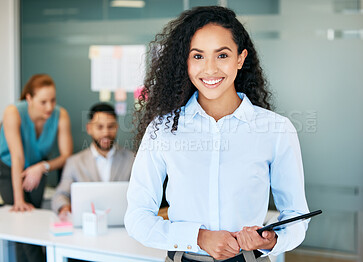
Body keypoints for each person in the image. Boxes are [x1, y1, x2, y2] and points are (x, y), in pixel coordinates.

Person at [124, 6, 309, 262]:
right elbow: (137, 218)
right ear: (185, 62)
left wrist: (273, 239)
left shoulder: (276, 130)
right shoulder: (163, 129)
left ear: (240, 59)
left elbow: (296, 214)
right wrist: (198, 237)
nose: (210, 69)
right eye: (198, 57)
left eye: (222, 55)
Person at [0, 73, 73, 262]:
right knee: (20, 218)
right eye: (43, 102)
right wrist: (18, 200)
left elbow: (66, 156)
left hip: (37, 168)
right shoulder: (13, 112)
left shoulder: (60, 114)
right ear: (29, 98)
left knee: (33, 221)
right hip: (8, 167)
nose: (49, 107)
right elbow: (17, 157)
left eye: (52, 100)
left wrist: (42, 166)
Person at [52, 103, 135, 216]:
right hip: (87, 227)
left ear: (116, 127)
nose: (106, 133)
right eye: (100, 127)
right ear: (89, 128)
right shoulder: (74, 162)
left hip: (123, 226)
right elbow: (60, 195)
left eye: (110, 126)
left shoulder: (132, 160)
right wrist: (64, 207)